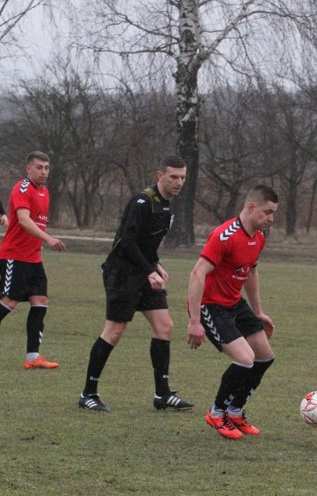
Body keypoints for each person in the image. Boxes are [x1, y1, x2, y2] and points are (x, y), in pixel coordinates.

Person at [78, 155, 194, 412]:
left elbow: (147, 245)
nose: (179, 182)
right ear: (160, 176)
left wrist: (157, 265)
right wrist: (148, 270)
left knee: (164, 327)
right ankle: (88, 393)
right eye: (174, 176)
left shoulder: (167, 207)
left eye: (183, 177)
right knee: (114, 332)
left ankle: (162, 395)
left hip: (143, 271)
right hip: (121, 272)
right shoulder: (142, 202)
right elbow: (125, 243)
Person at [187, 185, 278, 440]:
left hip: (234, 303)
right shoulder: (224, 236)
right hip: (211, 306)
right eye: (267, 212)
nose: (271, 219)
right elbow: (197, 273)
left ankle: (235, 412)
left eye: (273, 213)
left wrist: (258, 313)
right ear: (251, 207)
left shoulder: (258, 238)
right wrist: (195, 320)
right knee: (245, 358)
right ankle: (216, 413)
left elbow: (250, 272)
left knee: (265, 357)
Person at [0, 151, 66, 368]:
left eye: (46, 168)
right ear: (28, 169)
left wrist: (43, 242)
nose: (44, 171)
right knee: (10, 302)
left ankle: (33, 358)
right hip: (14, 255)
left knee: (40, 301)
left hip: (33, 258)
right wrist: (48, 239)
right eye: (39, 167)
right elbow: (23, 220)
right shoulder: (22, 188)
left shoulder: (45, 192)